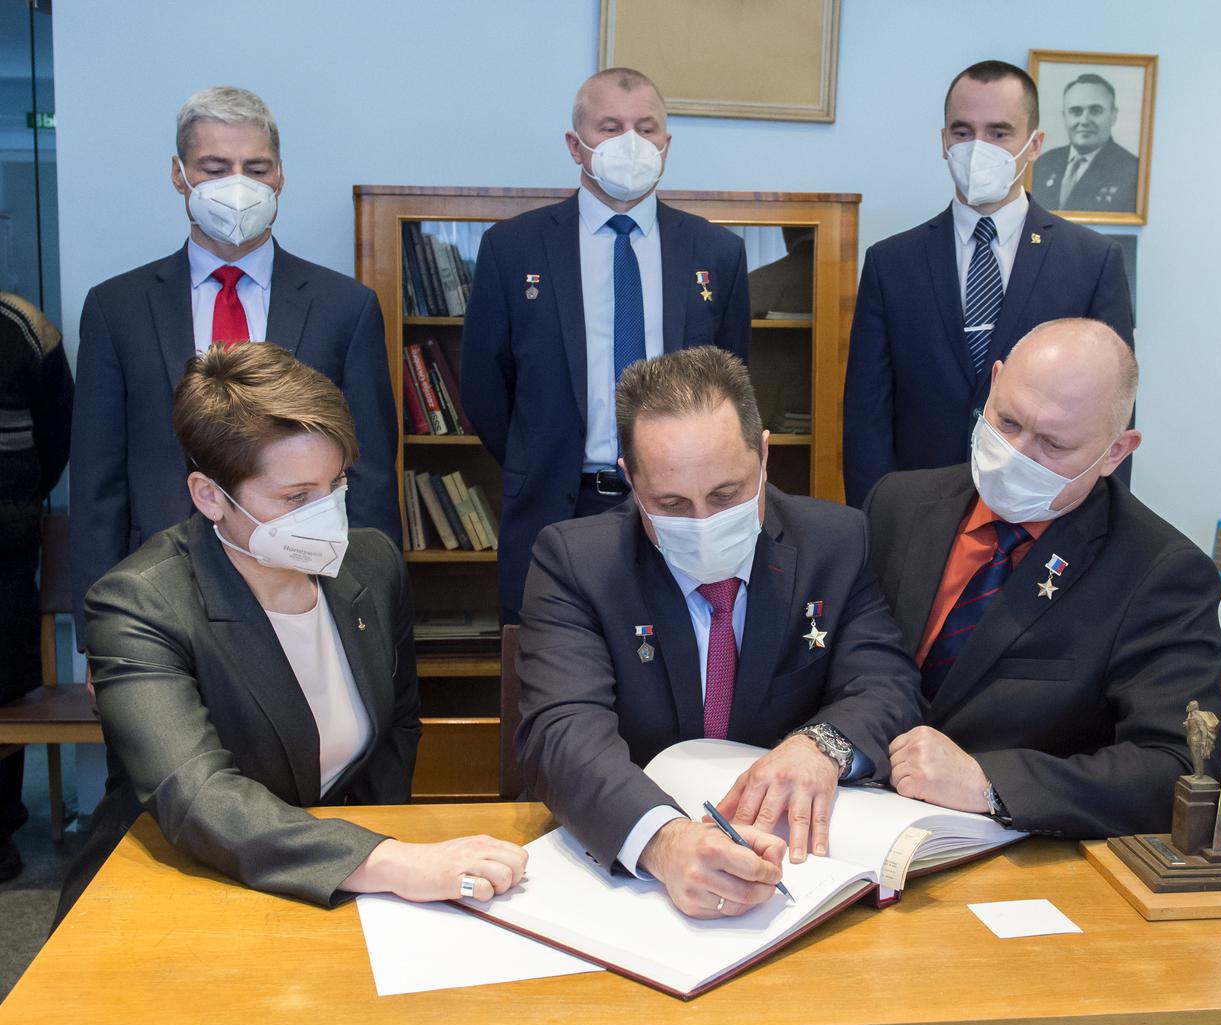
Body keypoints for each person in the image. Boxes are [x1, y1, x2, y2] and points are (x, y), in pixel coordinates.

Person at [56, 343, 525, 923]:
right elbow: (198, 796)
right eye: (296, 498)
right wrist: (390, 863)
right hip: (175, 882)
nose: (326, 513)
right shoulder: (139, 603)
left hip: (344, 878)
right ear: (209, 497)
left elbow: (397, 728)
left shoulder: (371, 564)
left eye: (336, 484)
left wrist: (378, 856)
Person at [517, 346, 922, 919]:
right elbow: (561, 734)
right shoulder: (577, 562)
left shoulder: (835, 541)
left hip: (794, 870)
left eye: (727, 495)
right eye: (672, 503)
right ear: (630, 479)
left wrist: (821, 747)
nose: (704, 523)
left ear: (763, 455)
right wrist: (665, 842)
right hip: (628, 877)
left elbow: (887, 686)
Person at [862, 319, 1221, 839]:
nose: (1016, 455)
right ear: (994, 383)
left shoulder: (1160, 572)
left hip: (1020, 854)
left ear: (1116, 452)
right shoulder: (896, 504)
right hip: (857, 823)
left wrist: (988, 782)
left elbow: (1179, 770)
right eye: (1007, 422)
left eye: (1053, 445)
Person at [70, 85, 399, 648]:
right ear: (179, 175)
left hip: (306, 583)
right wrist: (100, 639)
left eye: (256, 167)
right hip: (159, 588)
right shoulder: (116, 307)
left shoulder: (345, 306)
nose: (238, 185)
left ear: (280, 176)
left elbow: (368, 474)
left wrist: (376, 617)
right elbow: (97, 484)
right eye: (215, 167)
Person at [461, 67, 752, 623]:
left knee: (676, 675)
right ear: (576, 145)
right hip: (556, 501)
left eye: (646, 128)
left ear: (666, 144)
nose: (631, 144)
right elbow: (484, 388)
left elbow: (732, 381)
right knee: (549, 679)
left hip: (682, 508)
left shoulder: (716, 252)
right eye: (611, 127)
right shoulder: (512, 248)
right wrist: (539, 457)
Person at [842, 60, 1135, 510]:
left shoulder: (1091, 262)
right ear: (944, 140)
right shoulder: (890, 263)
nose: (978, 148)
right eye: (963, 132)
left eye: (999, 133)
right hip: (920, 512)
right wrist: (873, 523)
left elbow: (1113, 411)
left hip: (1044, 513)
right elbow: (867, 417)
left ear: (1034, 144)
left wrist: (1100, 530)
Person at [0, 293, 73, 882]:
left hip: (5, 547)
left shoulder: (22, 325)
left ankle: (1, 833)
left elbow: (57, 433)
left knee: (3, 689)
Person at [1032, 74, 1140, 214]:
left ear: (1113, 115)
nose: (1084, 120)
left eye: (1095, 111)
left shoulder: (1132, 171)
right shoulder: (1044, 163)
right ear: (1065, 116)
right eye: (1076, 111)